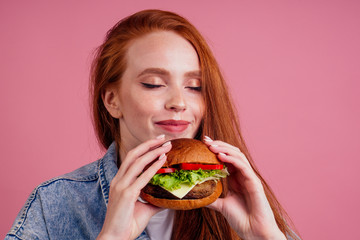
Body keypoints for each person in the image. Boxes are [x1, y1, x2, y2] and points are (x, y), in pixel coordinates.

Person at [6, 9, 300, 240]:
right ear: (112, 100)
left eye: (195, 87)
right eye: (153, 84)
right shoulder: (55, 204)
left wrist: (265, 236)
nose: (179, 102)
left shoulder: (241, 198)